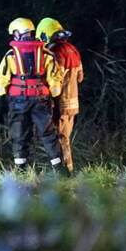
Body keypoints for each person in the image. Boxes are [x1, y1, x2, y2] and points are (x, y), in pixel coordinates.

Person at [0, 17, 65, 172]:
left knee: (19, 135)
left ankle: (21, 169)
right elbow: (55, 81)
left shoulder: (11, 55)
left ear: (19, 33)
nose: (14, 37)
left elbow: (2, 80)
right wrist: (56, 101)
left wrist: (0, 103)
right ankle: (60, 169)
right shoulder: (47, 53)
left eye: (14, 34)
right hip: (41, 100)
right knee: (48, 134)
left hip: (18, 101)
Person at [37, 17, 84, 173]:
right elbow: (80, 77)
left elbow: (55, 79)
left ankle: (66, 172)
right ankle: (66, 170)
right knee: (66, 137)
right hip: (73, 102)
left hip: (60, 102)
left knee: (60, 138)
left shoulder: (54, 52)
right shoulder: (73, 49)